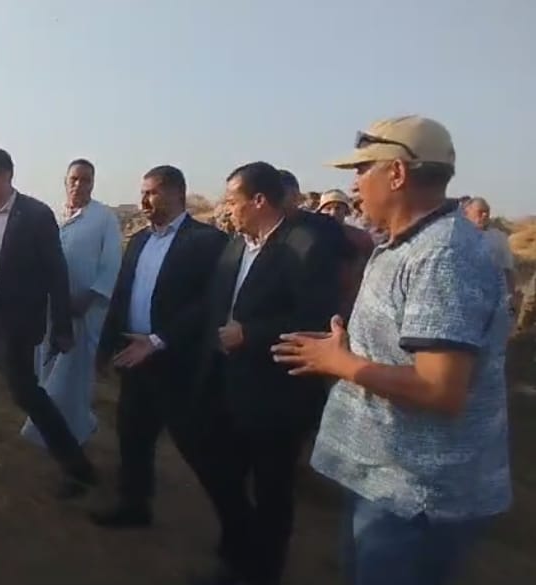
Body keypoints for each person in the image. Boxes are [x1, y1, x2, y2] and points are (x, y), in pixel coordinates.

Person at [273, 115, 512, 585]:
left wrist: (340, 363)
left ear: (397, 173)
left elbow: (440, 388)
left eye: (363, 170)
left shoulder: (444, 257)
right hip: (386, 480)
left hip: (417, 496)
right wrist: (350, 348)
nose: (354, 184)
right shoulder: (406, 244)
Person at [194, 161, 339, 585]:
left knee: (272, 491)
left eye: (232, 200)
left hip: (277, 394)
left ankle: (263, 573)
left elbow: (316, 318)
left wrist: (250, 333)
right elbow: (217, 303)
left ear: (258, 200)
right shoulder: (235, 246)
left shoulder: (305, 247)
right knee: (224, 474)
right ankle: (235, 557)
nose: (226, 209)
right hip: (227, 385)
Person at [89, 165, 228, 529]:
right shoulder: (139, 241)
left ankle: (237, 525)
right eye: (143, 193)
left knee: (195, 445)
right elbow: (122, 295)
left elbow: (207, 304)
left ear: (176, 193)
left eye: (151, 192)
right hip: (135, 358)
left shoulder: (206, 241)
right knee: (132, 435)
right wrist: (105, 347)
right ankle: (134, 506)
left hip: (178, 362)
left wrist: (158, 340)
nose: (144, 200)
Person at [0, 147, 98, 498]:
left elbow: (56, 271)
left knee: (25, 393)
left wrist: (62, 326)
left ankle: (77, 467)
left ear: (6, 175)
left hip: (17, 322)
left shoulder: (35, 215)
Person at [20, 159, 122, 448]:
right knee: (46, 371)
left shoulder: (103, 218)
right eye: (74, 179)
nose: (79, 185)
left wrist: (90, 296)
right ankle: (48, 433)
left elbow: (112, 263)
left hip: (85, 313)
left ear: (93, 183)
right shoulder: (53, 217)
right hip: (51, 312)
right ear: (65, 182)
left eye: (85, 180)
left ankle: (75, 434)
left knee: (73, 379)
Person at [318, 189, 376, 319]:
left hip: (352, 302)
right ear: (320, 211)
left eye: (338, 208)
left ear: (346, 211)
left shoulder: (361, 237)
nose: (333, 213)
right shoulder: (312, 236)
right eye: (328, 208)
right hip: (320, 302)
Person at [463, 196, 518, 314]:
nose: (484, 215)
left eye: (487, 212)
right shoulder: (458, 235)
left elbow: (508, 269)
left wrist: (511, 294)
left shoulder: (498, 237)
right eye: (480, 212)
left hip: (492, 296)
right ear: (467, 213)